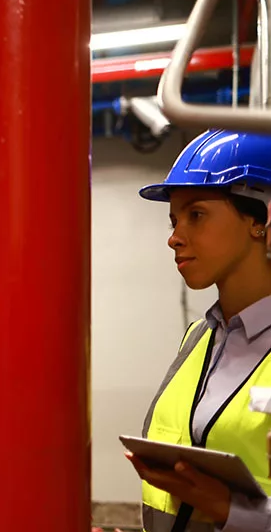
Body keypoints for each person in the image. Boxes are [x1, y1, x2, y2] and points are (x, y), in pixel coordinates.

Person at [128, 129, 271, 532]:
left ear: (260, 219)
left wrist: (229, 509)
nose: (174, 238)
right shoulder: (198, 338)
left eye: (197, 215)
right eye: (174, 220)